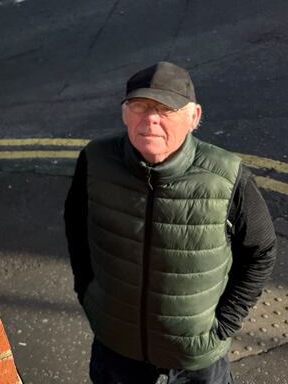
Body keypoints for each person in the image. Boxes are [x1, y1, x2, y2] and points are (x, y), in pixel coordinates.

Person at [64, 61, 276, 384]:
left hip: (196, 361)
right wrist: (89, 296)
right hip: (117, 350)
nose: (150, 118)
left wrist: (223, 325)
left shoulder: (228, 177)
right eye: (140, 106)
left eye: (166, 109)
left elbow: (261, 250)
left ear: (194, 117)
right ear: (124, 113)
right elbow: (76, 225)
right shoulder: (95, 161)